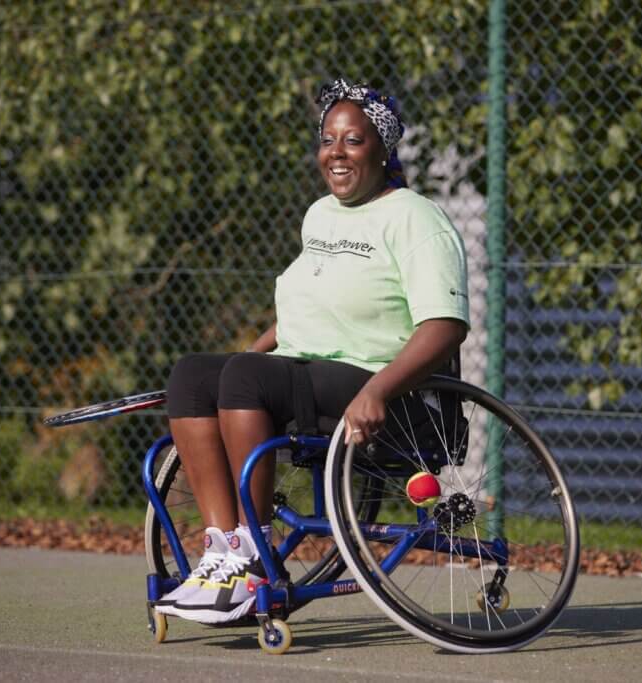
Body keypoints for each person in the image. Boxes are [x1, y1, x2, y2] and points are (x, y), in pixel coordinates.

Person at [155, 78, 470, 624]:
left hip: (382, 389)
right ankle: (223, 550)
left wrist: (377, 389)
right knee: (192, 375)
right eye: (327, 140)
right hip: (307, 373)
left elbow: (445, 327)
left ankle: (252, 561)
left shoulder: (416, 218)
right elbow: (314, 305)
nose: (336, 153)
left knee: (248, 380)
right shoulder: (320, 214)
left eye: (353, 140)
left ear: (382, 147)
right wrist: (247, 354)